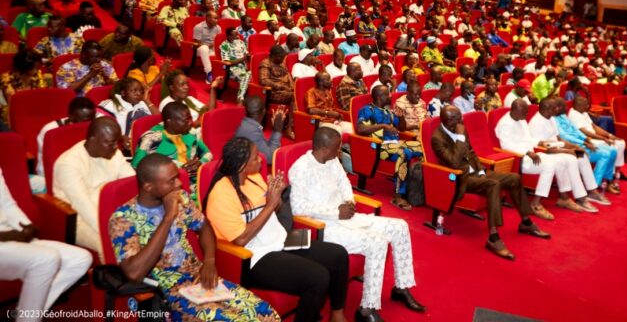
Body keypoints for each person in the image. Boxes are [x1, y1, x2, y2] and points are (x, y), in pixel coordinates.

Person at [110, 154, 280, 322]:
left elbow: (204, 227)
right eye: (171, 180)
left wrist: (209, 260)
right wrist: (168, 217)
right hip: (167, 293)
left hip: (199, 279)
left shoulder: (181, 198)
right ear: (148, 187)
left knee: (266, 313)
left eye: (177, 177)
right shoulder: (123, 218)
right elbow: (134, 273)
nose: (179, 183)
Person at [205, 137, 350, 322]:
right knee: (318, 277)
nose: (261, 159)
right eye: (255, 157)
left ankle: (337, 314)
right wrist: (270, 205)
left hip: (278, 239)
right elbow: (241, 239)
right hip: (254, 255)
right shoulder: (220, 194)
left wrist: (277, 195)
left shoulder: (254, 178)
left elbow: (276, 208)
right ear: (242, 166)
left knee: (338, 254)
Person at [290, 126, 425, 322]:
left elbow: (344, 183)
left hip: (347, 217)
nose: (339, 151)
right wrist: (335, 212)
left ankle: (401, 287)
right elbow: (298, 208)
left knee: (400, 226)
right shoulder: (301, 168)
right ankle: (366, 310)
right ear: (324, 149)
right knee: (376, 242)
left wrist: (349, 201)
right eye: (336, 148)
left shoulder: (332, 160)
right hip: (324, 227)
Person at [431, 105, 550, 260]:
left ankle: (526, 222)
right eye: (456, 118)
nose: (461, 119)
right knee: (493, 184)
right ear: (446, 121)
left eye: (460, 115)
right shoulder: (437, 138)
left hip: (477, 173)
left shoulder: (460, 128)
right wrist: (460, 138)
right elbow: (454, 162)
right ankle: (493, 238)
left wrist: (481, 172)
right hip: (460, 178)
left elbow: (471, 153)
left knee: (514, 178)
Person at [0, 166, 92, 322]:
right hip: (4, 241)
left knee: (81, 259)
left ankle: (25, 314)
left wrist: (26, 227)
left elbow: (8, 205)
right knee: (47, 258)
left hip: (12, 239)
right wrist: (10, 236)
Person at [53, 117, 135, 260]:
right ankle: (112, 274)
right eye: (110, 143)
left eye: (117, 142)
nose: (116, 147)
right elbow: (84, 207)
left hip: (111, 209)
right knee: (110, 244)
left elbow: (131, 183)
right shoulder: (68, 164)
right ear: (92, 140)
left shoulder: (113, 153)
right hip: (79, 218)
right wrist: (112, 230)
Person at [495, 100, 582, 219]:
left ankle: (564, 197)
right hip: (520, 159)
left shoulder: (521, 119)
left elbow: (528, 139)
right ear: (515, 111)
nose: (526, 115)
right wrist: (528, 152)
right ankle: (536, 204)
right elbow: (506, 146)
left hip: (533, 155)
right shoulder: (505, 124)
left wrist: (540, 142)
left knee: (562, 161)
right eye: (524, 113)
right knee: (550, 165)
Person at [356, 86, 423, 210]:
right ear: (379, 97)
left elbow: (402, 128)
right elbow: (360, 129)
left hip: (395, 143)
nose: (391, 96)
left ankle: (417, 189)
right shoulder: (367, 110)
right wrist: (382, 126)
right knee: (404, 153)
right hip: (379, 146)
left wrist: (401, 116)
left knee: (422, 148)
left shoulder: (389, 111)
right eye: (387, 94)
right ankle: (398, 195)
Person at [132, 102, 213, 179]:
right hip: (165, 182)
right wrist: (177, 170)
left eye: (190, 118)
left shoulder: (191, 132)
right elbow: (136, 167)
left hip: (194, 180)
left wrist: (200, 163)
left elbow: (208, 154)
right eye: (186, 120)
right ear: (169, 121)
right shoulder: (151, 138)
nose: (190, 123)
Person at [568, 96, 627, 182]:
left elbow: (594, 127)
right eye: (585, 105)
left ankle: (617, 172)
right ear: (578, 105)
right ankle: (609, 176)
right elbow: (585, 133)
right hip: (587, 140)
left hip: (594, 138)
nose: (587, 106)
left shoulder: (583, 112)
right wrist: (604, 139)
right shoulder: (573, 115)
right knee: (613, 147)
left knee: (621, 143)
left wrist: (609, 135)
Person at [0, 49, 51, 127]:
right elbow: (13, 104)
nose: (36, 70)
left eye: (37, 67)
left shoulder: (37, 75)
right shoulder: (6, 79)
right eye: (34, 68)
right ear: (24, 67)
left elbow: (43, 97)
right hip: (12, 115)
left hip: (34, 112)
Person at [234, 96, 286, 164]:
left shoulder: (248, 124)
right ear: (264, 111)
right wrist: (277, 131)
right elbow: (270, 158)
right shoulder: (252, 131)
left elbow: (266, 147)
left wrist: (275, 129)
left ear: (245, 111)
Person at [258, 45, 295, 121]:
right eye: (281, 57)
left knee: (298, 94)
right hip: (273, 92)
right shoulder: (266, 63)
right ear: (274, 56)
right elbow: (263, 80)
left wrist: (292, 87)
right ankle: (290, 124)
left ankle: (291, 120)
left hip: (285, 90)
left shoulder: (281, 63)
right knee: (294, 96)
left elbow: (287, 75)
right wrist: (280, 86)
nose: (283, 59)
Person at [220, 27, 251, 104]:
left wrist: (249, 56)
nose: (237, 36)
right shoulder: (224, 45)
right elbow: (228, 62)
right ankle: (240, 98)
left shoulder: (241, 42)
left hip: (243, 68)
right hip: (231, 69)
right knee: (246, 76)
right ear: (228, 36)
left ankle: (244, 97)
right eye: (235, 35)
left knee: (252, 75)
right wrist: (243, 59)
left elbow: (246, 54)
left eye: (237, 34)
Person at [193, 10, 221, 84]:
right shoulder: (199, 27)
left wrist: (215, 45)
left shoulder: (218, 28)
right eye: (215, 18)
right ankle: (209, 73)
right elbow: (197, 43)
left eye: (217, 18)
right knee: (204, 48)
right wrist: (208, 45)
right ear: (208, 18)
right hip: (200, 50)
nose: (217, 20)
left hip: (212, 49)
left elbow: (218, 41)